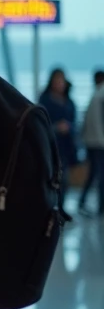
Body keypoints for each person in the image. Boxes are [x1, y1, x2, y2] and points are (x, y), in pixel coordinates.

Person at [40, 68, 79, 218]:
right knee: (51, 179)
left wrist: (68, 127)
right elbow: (41, 123)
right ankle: (50, 209)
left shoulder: (69, 102)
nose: (59, 84)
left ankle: (60, 208)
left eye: (61, 81)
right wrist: (56, 127)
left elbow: (74, 123)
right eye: (57, 80)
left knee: (65, 180)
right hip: (50, 146)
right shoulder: (45, 100)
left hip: (66, 147)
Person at [79, 70, 104, 216]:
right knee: (100, 175)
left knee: (93, 173)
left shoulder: (95, 95)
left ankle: (82, 202)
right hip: (100, 142)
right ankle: (101, 207)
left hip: (91, 141)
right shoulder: (101, 95)